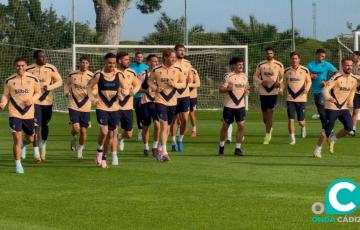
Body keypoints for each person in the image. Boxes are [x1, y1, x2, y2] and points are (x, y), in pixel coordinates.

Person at [0, 58, 41, 173]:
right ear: (15, 66)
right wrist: (3, 102)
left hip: (29, 114)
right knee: (17, 139)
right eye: (18, 66)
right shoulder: (9, 80)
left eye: (22, 65)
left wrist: (31, 100)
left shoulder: (33, 79)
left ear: (26, 66)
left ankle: (23, 145)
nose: (20, 68)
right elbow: (6, 95)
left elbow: (38, 92)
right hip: (14, 113)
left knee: (31, 138)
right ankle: (18, 164)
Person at [313, 58, 357, 158]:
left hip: (344, 107)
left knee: (349, 128)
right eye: (347, 65)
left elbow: (352, 91)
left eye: (350, 65)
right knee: (327, 130)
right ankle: (317, 149)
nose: (349, 67)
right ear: (342, 65)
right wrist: (328, 97)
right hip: (332, 107)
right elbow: (325, 89)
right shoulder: (336, 77)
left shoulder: (354, 79)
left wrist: (350, 101)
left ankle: (333, 139)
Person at [148, 48, 186, 161]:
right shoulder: (156, 69)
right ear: (165, 57)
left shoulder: (178, 69)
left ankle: (159, 148)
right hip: (160, 100)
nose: (173, 59)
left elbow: (183, 84)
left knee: (167, 127)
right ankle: (164, 152)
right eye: (171, 57)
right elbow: (150, 81)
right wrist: (155, 87)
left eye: (174, 57)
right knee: (164, 125)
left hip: (173, 101)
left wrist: (174, 84)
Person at [26, 50, 63, 162]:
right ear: (35, 58)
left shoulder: (51, 68)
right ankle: (36, 154)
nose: (44, 58)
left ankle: (43, 144)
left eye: (44, 56)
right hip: (35, 102)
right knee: (36, 127)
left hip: (47, 103)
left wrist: (49, 87)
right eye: (41, 57)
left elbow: (59, 81)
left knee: (45, 125)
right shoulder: (29, 69)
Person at [87, 53, 122, 168]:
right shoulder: (99, 74)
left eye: (113, 63)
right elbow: (88, 86)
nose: (111, 65)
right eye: (109, 63)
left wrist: (125, 92)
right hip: (101, 106)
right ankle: (99, 149)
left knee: (111, 134)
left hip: (115, 108)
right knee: (104, 131)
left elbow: (126, 86)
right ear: (105, 62)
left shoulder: (119, 74)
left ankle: (104, 158)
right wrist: (92, 97)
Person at [64, 56, 95, 159]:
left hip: (86, 106)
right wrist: (66, 92)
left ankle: (80, 149)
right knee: (76, 128)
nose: (84, 64)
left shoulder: (92, 76)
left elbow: (96, 89)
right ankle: (73, 137)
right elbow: (66, 84)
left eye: (86, 63)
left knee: (83, 131)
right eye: (82, 62)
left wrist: (91, 95)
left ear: (89, 64)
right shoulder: (72, 74)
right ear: (79, 63)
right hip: (73, 104)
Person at [218, 57, 249, 156]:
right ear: (234, 66)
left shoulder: (245, 77)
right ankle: (221, 147)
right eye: (239, 64)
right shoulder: (228, 76)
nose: (241, 66)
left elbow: (247, 88)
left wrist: (247, 91)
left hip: (240, 106)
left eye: (242, 64)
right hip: (229, 106)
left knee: (241, 126)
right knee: (225, 126)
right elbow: (221, 89)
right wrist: (228, 89)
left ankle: (238, 149)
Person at [253, 47, 284, 144]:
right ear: (265, 54)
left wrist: (279, 84)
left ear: (273, 54)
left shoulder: (279, 64)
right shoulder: (261, 65)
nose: (269, 55)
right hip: (263, 92)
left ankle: (267, 136)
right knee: (264, 117)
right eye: (268, 53)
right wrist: (261, 82)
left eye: (271, 53)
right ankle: (269, 128)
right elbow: (254, 76)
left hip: (273, 92)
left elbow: (284, 77)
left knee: (270, 112)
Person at [282, 52, 312, 145]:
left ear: (299, 59)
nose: (294, 60)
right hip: (290, 99)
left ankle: (303, 127)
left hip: (301, 99)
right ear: (290, 60)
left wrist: (306, 89)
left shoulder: (305, 70)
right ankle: (292, 138)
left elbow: (309, 82)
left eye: (296, 58)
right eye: (292, 58)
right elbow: (284, 82)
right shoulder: (286, 71)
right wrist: (281, 89)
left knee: (300, 122)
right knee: (291, 119)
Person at [307, 48, 337, 131]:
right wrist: (310, 76)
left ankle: (326, 127)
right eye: (321, 56)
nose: (322, 58)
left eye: (324, 56)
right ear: (317, 55)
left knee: (321, 107)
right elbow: (305, 75)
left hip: (324, 90)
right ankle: (326, 125)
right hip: (315, 90)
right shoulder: (310, 65)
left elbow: (337, 72)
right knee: (320, 110)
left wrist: (328, 82)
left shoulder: (327, 64)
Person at [170, 44, 193, 152]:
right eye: (180, 50)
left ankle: (180, 139)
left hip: (185, 95)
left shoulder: (188, 64)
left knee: (185, 119)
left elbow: (190, 77)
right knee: (173, 120)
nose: (182, 52)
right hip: (173, 96)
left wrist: (190, 78)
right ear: (175, 51)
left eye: (183, 50)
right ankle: (173, 141)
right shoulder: (170, 63)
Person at [116, 52, 140, 153]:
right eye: (126, 59)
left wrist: (133, 92)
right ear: (119, 60)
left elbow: (137, 85)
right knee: (113, 131)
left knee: (129, 134)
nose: (128, 61)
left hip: (127, 107)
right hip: (114, 106)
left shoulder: (132, 72)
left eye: (128, 59)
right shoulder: (113, 72)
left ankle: (121, 138)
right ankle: (112, 154)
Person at [139, 54, 160, 157]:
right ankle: (146, 147)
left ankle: (155, 147)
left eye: (156, 61)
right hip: (146, 102)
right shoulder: (144, 73)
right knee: (146, 126)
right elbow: (137, 88)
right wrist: (145, 90)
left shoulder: (161, 73)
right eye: (153, 61)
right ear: (148, 62)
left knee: (157, 125)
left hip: (157, 102)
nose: (155, 63)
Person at [129, 52, 149, 141]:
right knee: (137, 113)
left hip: (143, 94)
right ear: (135, 57)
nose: (139, 58)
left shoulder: (146, 67)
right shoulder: (131, 67)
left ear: (143, 58)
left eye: (141, 57)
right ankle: (136, 130)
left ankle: (142, 131)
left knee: (143, 114)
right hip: (134, 94)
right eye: (138, 57)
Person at [189, 67, 201, 137]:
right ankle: (180, 129)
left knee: (191, 113)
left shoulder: (193, 71)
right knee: (179, 114)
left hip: (192, 96)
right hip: (180, 96)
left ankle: (194, 130)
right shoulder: (177, 69)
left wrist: (187, 86)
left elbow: (198, 84)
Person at [351, 51, 360, 135]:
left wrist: (354, 76)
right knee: (355, 111)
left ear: (358, 57)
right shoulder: (351, 66)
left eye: (354, 56)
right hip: (356, 92)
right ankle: (352, 129)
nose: (352, 57)